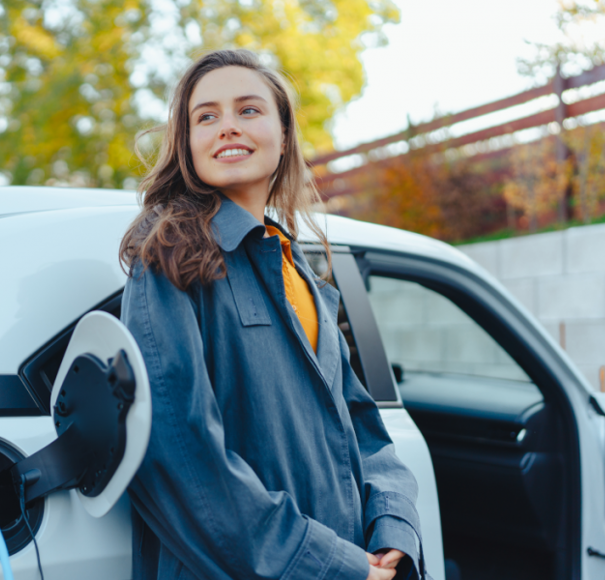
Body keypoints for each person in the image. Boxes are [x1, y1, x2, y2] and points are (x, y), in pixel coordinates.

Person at [118, 49, 425, 580]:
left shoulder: (296, 268)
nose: (227, 128)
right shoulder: (168, 253)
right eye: (205, 116)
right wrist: (326, 563)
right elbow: (180, 454)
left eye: (249, 110)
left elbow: (360, 420)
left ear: (284, 136)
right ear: (188, 145)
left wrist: (394, 524)